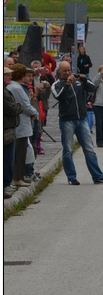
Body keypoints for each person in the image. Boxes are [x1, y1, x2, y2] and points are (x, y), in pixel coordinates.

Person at [52, 61, 103, 185]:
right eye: (65, 71)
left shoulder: (78, 80)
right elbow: (58, 96)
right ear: (60, 72)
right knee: (68, 149)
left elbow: (92, 88)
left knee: (89, 148)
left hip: (82, 119)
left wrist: (85, 79)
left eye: (69, 70)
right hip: (67, 120)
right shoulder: (57, 84)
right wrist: (67, 85)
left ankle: (97, 176)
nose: (68, 73)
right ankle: (71, 177)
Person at [7, 64, 38, 189]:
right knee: (20, 153)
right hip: (21, 124)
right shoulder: (17, 88)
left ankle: (18, 176)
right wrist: (35, 113)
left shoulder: (14, 87)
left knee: (20, 152)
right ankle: (17, 177)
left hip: (20, 123)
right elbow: (25, 106)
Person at [4, 67, 21, 198]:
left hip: (10, 128)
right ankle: (4, 185)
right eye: (7, 75)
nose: (10, 77)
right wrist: (19, 106)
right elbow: (12, 108)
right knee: (7, 160)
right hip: (6, 130)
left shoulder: (6, 90)